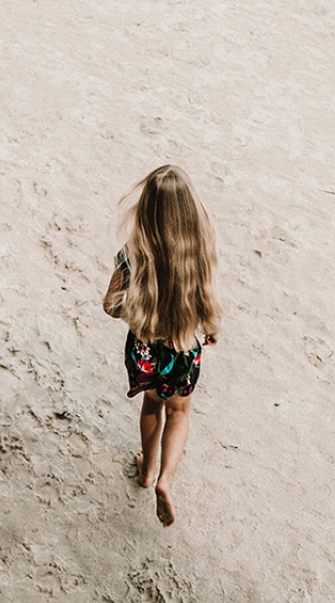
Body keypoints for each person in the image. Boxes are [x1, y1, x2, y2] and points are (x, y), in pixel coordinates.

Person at [103, 165, 222, 527]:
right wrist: (210, 327)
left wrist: (137, 312)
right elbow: (205, 299)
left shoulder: (132, 253)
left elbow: (110, 306)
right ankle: (166, 479)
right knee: (179, 413)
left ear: (147, 210)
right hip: (183, 349)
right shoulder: (198, 252)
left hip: (144, 350)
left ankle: (146, 469)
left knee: (152, 406)